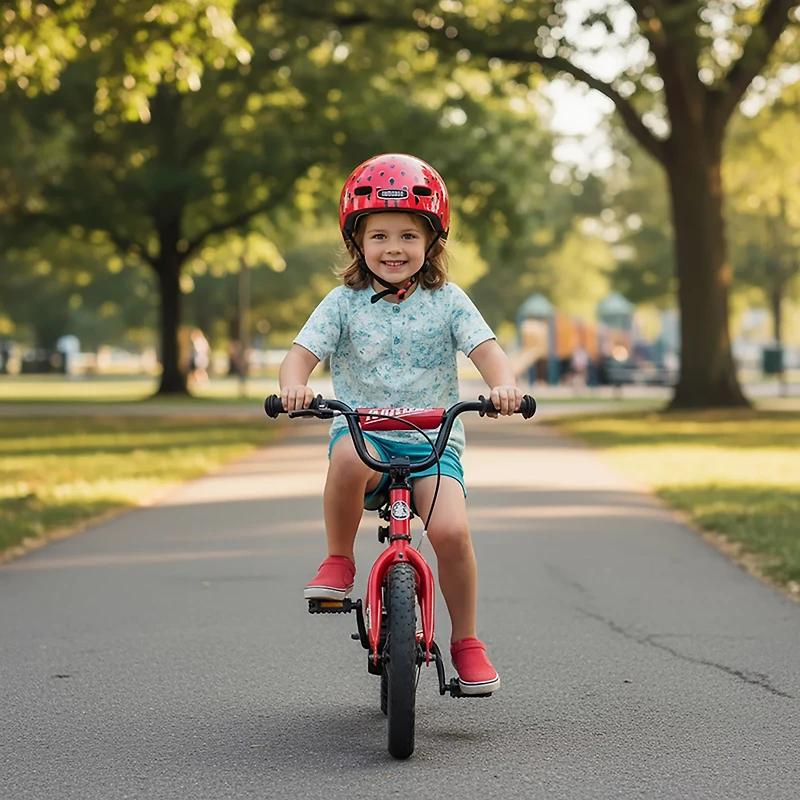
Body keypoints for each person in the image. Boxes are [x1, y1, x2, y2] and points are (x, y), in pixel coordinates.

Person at [279, 154, 522, 695]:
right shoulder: (342, 304)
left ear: (432, 241)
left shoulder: (448, 301)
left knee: (451, 533)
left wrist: (503, 386)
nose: (394, 248)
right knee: (345, 458)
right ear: (356, 242)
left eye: (409, 235)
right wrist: (295, 385)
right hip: (363, 435)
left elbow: (489, 353)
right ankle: (339, 559)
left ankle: (467, 640)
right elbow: (299, 356)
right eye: (380, 236)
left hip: (432, 440)